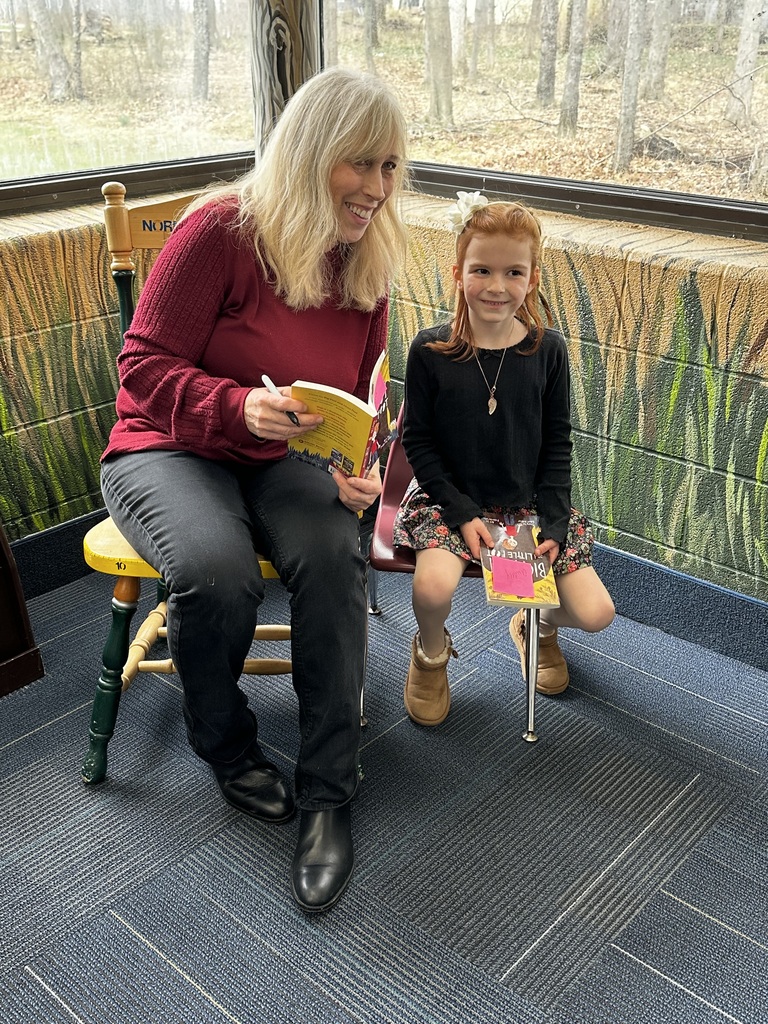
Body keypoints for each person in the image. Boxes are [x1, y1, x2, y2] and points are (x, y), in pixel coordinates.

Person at [100, 67, 409, 911]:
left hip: (287, 458)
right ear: (311, 153)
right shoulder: (221, 232)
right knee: (214, 571)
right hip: (169, 444)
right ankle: (228, 745)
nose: (378, 188)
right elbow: (141, 368)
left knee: (333, 557)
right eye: (360, 163)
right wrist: (237, 406)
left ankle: (329, 791)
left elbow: (365, 394)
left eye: (389, 166)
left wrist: (360, 469)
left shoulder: (367, 262)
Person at [393, 193, 615, 726]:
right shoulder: (429, 350)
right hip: (449, 498)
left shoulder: (549, 350)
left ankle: (535, 624)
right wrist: (462, 512)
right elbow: (418, 442)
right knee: (432, 587)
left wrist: (555, 521)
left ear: (532, 279)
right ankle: (431, 653)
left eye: (513, 272)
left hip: (527, 504)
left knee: (596, 613)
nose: (497, 286)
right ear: (458, 274)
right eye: (482, 270)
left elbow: (557, 444)